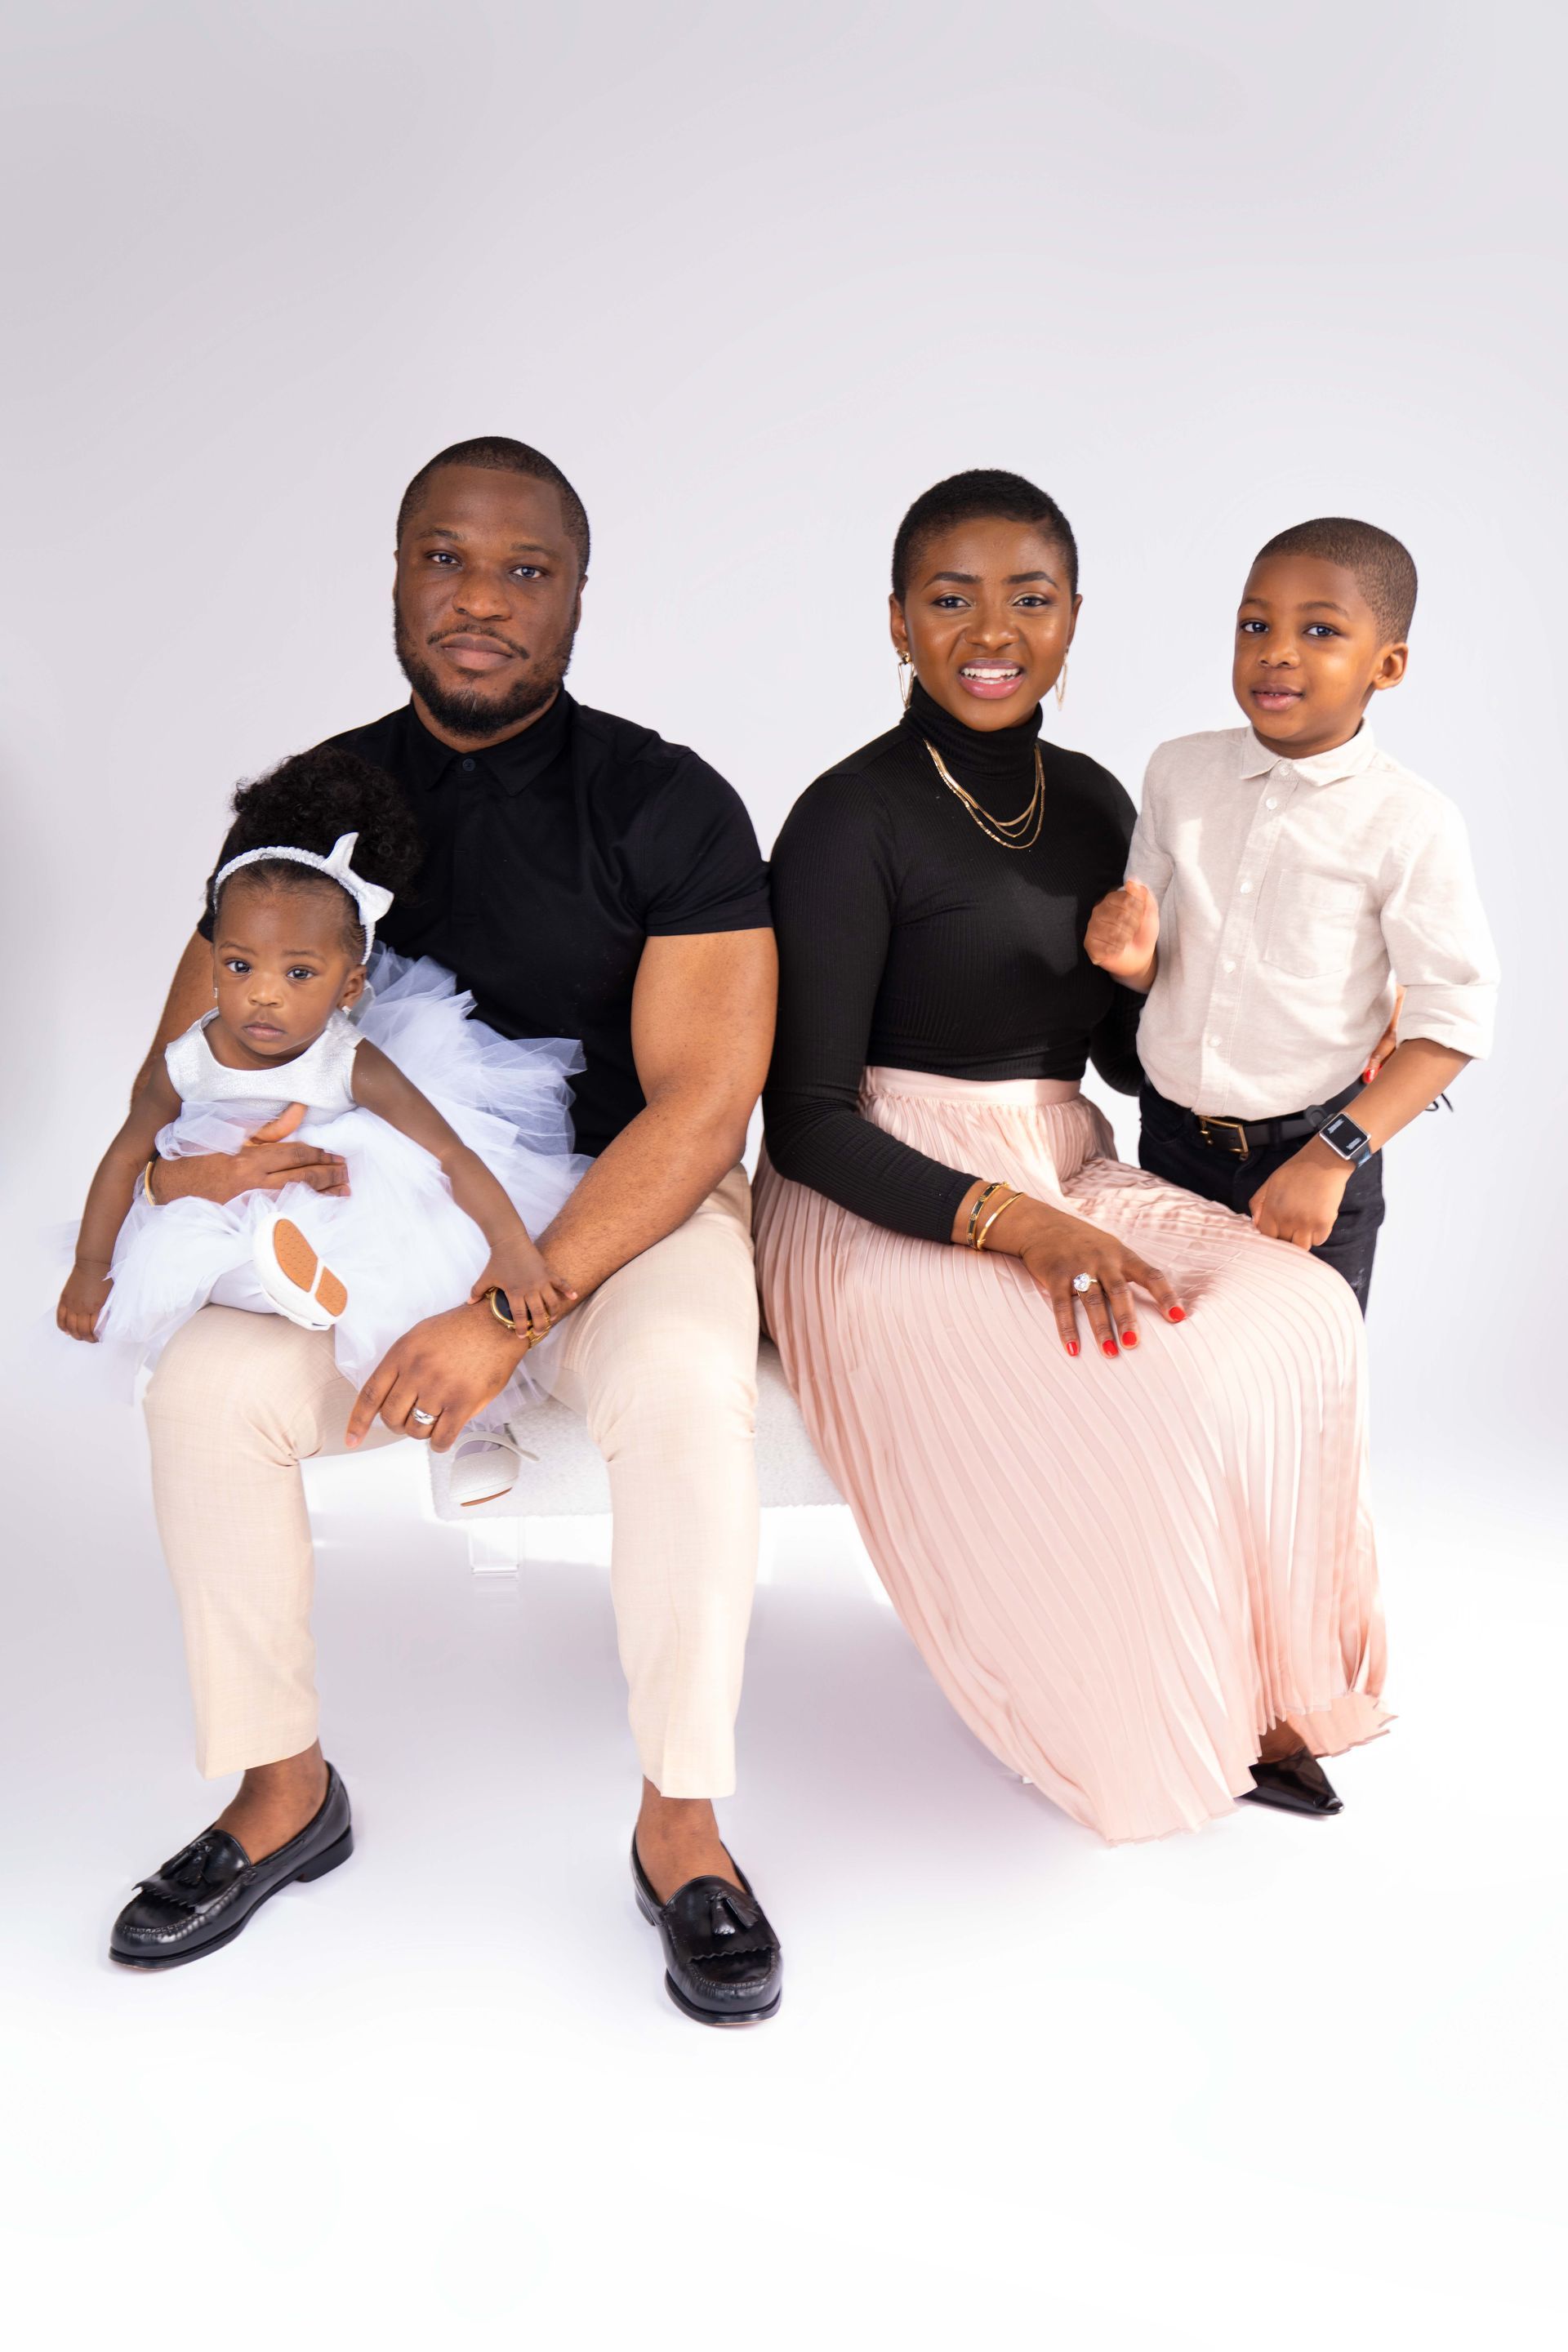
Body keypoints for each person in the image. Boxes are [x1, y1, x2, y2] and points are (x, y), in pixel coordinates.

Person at [108, 438, 783, 2025]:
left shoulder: (669, 803)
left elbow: (703, 1107)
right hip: (379, 1212)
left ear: (577, 595)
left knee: (687, 1385)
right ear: (401, 574)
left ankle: (683, 1824)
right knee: (205, 1389)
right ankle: (282, 1790)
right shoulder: (307, 808)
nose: (480, 601)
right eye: (446, 561)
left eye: (524, 571)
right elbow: (192, 1058)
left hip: (628, 1210)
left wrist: (503, 1312)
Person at [755, 468, 1387, 1844]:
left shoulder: (1101, 801)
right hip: (876, 1187)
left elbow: (1120, 1059)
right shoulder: (849, 818)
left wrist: (1189, 993)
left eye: (1029, 598)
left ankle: (1260, 1682)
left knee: (1300, 1313)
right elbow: (803, 1121)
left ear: (1074, 619)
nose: (993, 630)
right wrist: (1019, 1224)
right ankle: (1139, 1707)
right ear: (898, 622)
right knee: (1145, 1373)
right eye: (951, 598)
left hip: (1062, 1152)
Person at [59, 747, 586, 1419]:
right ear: (214, 966)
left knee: (395, 1222)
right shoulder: (188, 1060)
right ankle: (284, 1280)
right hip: (226, 1200)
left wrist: (512, 1247)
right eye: (241, 966)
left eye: (298, 974)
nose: (265, 995)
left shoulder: (351, 1061)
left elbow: (450, 1153)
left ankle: (315, 1283)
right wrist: (90, 1265)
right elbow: (126, 1156)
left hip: (343, 1201)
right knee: (184, 1262)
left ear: (350, 988)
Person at [1086, 517, 1498, 1312]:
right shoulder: (1179, 771)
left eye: (1320, 630)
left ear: (1388, 665)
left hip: (1312, 1158)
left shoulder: (1411, 820)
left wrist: (1334, 1157)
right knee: (1174, 1369)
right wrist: (1132, 961)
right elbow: (1160, 966)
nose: (1276, 651)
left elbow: (1454, 1018)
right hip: (1169, 1144)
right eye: (1255, 625)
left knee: (1297, 1377)